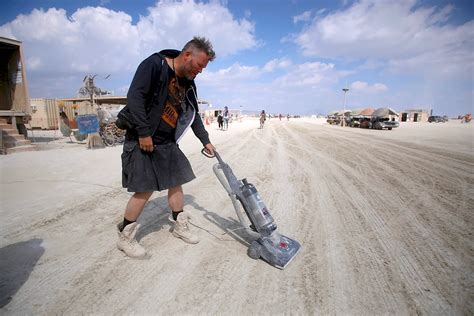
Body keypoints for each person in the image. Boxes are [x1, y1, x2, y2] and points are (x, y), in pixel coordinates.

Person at [117, 36, 216, 258]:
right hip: (143, 138)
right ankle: (125, 236)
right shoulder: (155, 64)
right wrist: (143, 132)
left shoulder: (189, 82)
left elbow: (193, 114)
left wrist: (205, 140)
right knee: (145, 188)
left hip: (168, 142)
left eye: (203, 68)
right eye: (200, 65)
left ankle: (179, 225)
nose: (200, 71)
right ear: (187, 55)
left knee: (176, 182)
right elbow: (135, 97)